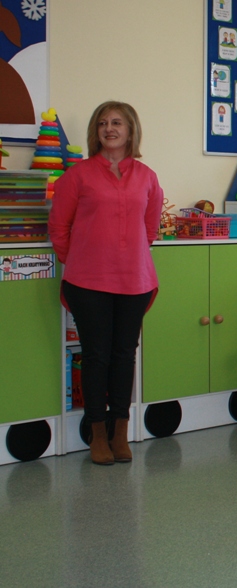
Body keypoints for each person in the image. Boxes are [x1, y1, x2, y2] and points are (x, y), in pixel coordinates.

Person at [49, 101, 163, 465]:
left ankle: (120, 432)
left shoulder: (147, 176)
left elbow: (150, 228)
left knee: (124, 355)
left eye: (116, 122)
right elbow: (58, 227)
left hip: (135, 280)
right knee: (96, 356)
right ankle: (97, 433)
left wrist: (126, 254)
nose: (109, 129)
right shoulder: (78, 175)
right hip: (88, 281)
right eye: (102, 123)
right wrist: (79, 260)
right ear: (95, 132)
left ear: (130, 130)